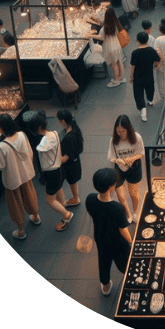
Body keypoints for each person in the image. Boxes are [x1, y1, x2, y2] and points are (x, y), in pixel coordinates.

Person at [0, 113, 41, 239]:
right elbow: (30, 152)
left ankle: (21, 230)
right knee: (29, 194)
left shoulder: (2, 146)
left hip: (13, 179)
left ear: (2, 128)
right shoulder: (22, 135)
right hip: (25, 173)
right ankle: (35, 216)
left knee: (15, 203)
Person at [86, 167, 133, 296]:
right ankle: (130, 278)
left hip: (100, 237)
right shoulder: (117, 208)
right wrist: (132, 242)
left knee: (103, 262)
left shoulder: (90, 199)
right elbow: (123, 230)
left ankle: (106, 287)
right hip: (117, 241)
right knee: (124, 262)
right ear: (111, 187)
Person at [28, 112, 74, 231]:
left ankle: (66, 215)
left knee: (50, 200)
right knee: (59, 188)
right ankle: (63, 203)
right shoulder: (54, 133)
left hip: (51, 173)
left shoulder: (43, 142)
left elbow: (38, 149)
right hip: (59, 169)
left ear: (37, 128)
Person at [107, 115, 145, 221]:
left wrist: (132, 158)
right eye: (118, 131)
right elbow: (111, 157)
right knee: (121, 196)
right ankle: (128, 214)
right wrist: (118, 160)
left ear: (128, 129)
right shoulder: (113, 140)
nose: (121, 134)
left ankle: (135, 212)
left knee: (133, 193)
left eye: (123, 131)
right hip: (119, 168)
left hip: (134, 167)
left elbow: (141, 153)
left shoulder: (137, 138)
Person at [128, 31, 161, 122]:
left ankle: (143, 112)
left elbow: (132, 66)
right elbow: (157, 60)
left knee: (138, 94)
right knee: (150, 89)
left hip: (138, 78)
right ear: (147, 40)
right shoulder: (151, 50)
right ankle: (150, 100)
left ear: (137, 41)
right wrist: (155, 65)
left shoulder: (135, 53)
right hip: (149, 76)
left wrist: (131, 77)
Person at [55, 109, 83, 207]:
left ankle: (74, 199)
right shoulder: (74, 128)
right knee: (72, 181)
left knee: (70, 181)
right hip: (74, 163)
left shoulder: (69, 138)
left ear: (63, 121)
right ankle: (75, 197)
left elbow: (65, 158)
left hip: (70, 165)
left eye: (59, 120)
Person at [92, 7, 125, 88]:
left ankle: (116, 80)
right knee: (119, 62)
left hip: (110, 47)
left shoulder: (105, 28)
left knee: (114, 65)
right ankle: (122, 78)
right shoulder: (116, 24)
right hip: (117, 46)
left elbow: (102, 38)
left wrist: (91, 35)